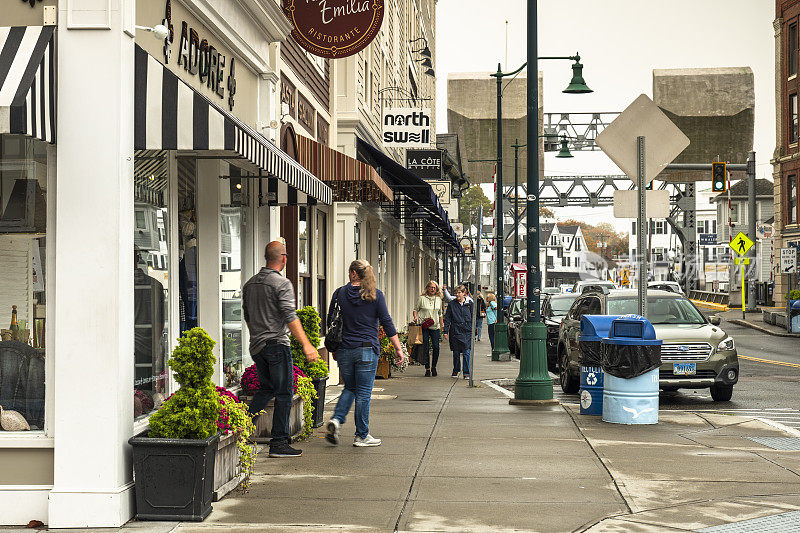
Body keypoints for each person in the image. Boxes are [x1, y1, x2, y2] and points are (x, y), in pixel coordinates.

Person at [242, 241, 319, 458]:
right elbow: (290, 316)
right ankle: (278, 442)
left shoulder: (250, 284)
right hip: (276, 345)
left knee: (266, 389)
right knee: (284, 392)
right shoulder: (281, 283)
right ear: (283, 258)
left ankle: (242, 429)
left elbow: (248, 317)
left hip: (257, 347)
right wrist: (307, 345)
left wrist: (258, 334)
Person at [326, 260, 403, 447]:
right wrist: (398, 348)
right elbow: (386, 322)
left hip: (344, 349)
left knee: (350, 388)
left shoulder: (339, 294)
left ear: (353, 273)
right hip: (367, 349)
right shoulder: (375, 295)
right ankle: (362, 435)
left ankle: (337, 420)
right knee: (363, 393)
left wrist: (335, 349)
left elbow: (331, 321)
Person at [413, 281, 445, 377]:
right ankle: (427, 368)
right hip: (424, 326)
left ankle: (434, 367)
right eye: (431, 287)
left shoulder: (438, 299)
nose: (432, 289)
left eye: (434, 288)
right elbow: (415, 309)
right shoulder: (422, 299)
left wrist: (442, 324)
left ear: (437, 289)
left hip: (435, 326)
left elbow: (440, 313)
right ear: (427, 288)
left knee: (436, 347)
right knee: (425, 346)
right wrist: (415, 317)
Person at [443, 285, 473, 379]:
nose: (457, 295)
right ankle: (456, 370)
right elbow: (447, 318)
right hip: (455, 330)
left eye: (459, 292)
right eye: (456, 293)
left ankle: (466, 372)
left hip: (467, 330)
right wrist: (445, 331)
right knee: (456, 352)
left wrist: (474, 330)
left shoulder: (469, 304)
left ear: (464, 293)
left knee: (466, 352)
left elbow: (474, 317)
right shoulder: (452, 304)